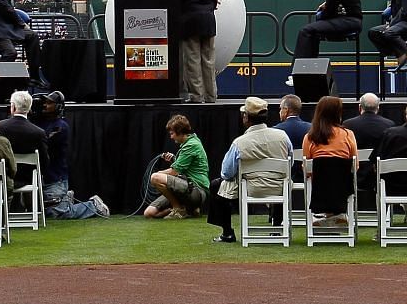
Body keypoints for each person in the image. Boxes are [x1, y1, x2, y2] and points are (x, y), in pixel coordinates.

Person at [206, 95, 294, 242]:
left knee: (216, 184)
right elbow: (289, 163)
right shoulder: (282, 136)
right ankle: (277, 227)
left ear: (246, 117)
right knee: (282, 179)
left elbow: (226, 173)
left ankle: (227, 232)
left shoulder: (239, 143)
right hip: (280, 187)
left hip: (250, 189)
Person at [32, 91, 107, 220]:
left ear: (58, 106)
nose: (45, 105)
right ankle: (65, 199)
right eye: (44, 102)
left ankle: (93, 206)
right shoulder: (37, 122)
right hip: (43, 176)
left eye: (49, 103)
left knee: (57, 213)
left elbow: (44, 141)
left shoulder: (60, 127)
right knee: (42, 211)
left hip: (55, 178)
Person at [289, 0, 362, 69]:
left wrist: (321, 14)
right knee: (313, 32)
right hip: (354, 21)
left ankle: (297, 71)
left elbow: (329, 12)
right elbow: (339, 2)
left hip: (349, 21)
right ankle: (308, 70)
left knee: (305, 31)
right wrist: (327, 5)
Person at [301, 94, 359, 234]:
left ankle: (323, 215)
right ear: (338, 113)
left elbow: (306, 168)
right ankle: (335, 214)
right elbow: (355, 165)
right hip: (343, 187)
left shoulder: (310, 137)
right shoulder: (348, 134)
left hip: (318, 189)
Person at [172, 0, 221, 103]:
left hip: (189, 23)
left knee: (192, 60)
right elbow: (214, 1)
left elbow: (176, 4)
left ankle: (197, 96)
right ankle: (211, 95)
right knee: (208, 59)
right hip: (208, 21)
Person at [145, 113, 209, 219]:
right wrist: (174, 160)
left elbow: (174, 172)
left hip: (197, 190)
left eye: (172, 133)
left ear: (180, 132)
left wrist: (157, 174)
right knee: (149, 213)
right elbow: (184, 168)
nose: (171, 137)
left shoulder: (191, 145)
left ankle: (178, 208)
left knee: (155, 177)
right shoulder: (190, 142)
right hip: (185, 188)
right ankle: (188, 209)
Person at [343, 91, 392, 211]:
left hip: (354, 173)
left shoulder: (348, 125)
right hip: (380, 174)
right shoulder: (389, 125)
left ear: (360, 107)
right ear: (378, 108)